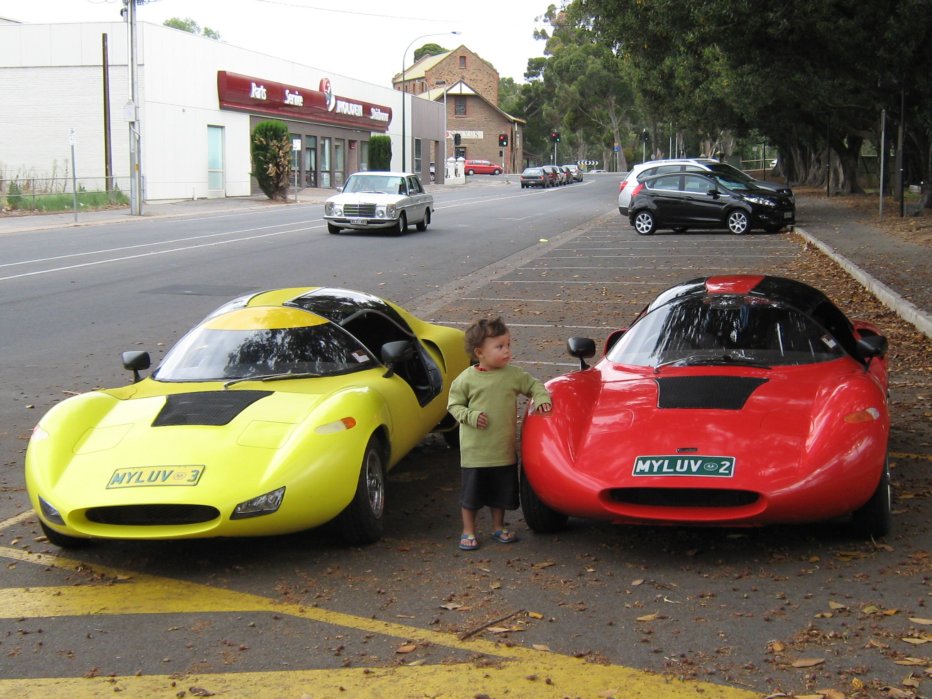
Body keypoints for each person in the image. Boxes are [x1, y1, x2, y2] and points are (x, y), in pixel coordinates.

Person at [447, 317, 552, 551]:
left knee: (500, 494)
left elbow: (534, 385)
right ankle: (468, 530)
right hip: (475, 453)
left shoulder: (512, 375)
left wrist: (541, 398)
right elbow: (453, 405)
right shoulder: (466, 379)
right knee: (471, 497)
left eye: (508, 345)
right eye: (499, 346)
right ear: (479, 352)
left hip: (503, 451)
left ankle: (498, 526)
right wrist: (470, 416)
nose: (506, 351)